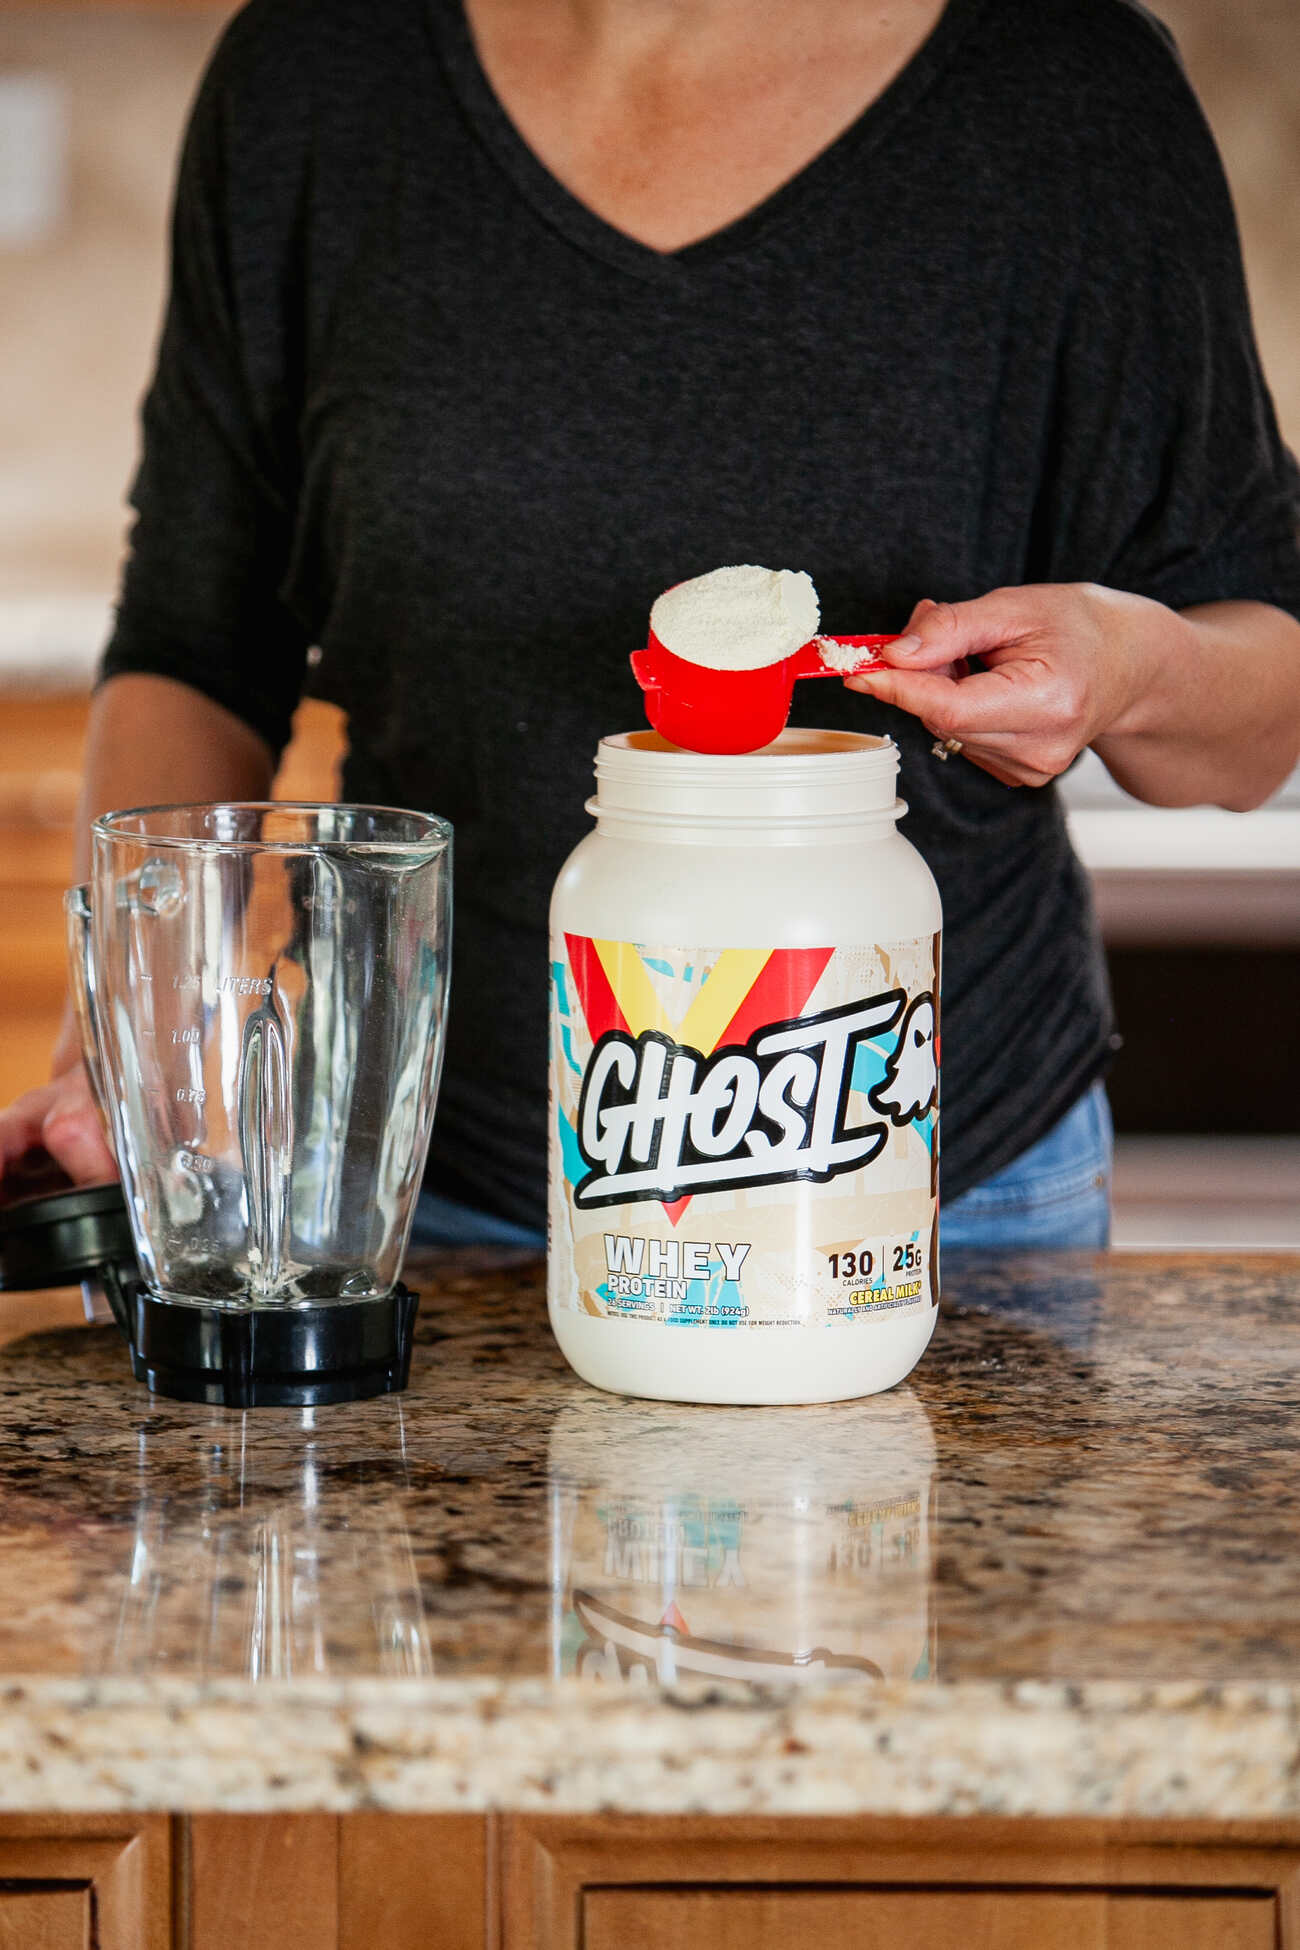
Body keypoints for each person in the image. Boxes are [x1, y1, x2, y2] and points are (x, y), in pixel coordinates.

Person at [3, 0, 1299, 1252]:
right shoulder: (313, 75)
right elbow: (195, 643)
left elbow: (1252, 729)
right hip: (421, 1192)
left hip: (930, 1204)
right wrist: (122, 1038)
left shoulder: (1070, 87)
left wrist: (1125, 663)